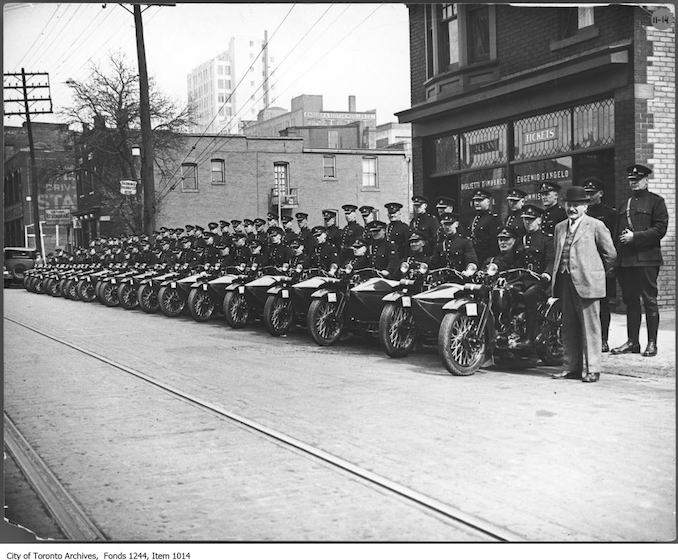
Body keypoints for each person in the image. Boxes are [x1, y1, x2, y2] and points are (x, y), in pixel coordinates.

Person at [551, 186, 617, 383]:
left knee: (590, 327)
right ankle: (571, 367)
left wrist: (596, 273)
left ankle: (593, 369)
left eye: (577, 205)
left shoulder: (595, 225)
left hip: (588, 283)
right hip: (565, 281)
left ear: (585, 207)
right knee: (568, 327)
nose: (572, 208)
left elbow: (610, 254)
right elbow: (557, 253)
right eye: (569, 204)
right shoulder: (560, 227)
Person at [611, 164, 669, 357]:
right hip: (626, 261)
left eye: (637, 180)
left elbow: (660, 229)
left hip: (647, 259)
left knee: (649, 301)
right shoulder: (624, 204)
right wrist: (616, 261)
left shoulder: (656, 202)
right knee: (630, 301)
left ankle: (652, 343)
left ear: (646, 180)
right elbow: (616, 233)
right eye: (631, 180)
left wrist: (636, 237)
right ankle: (632, 342)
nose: (633, 183)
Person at [511, 201, 554, 351]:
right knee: (505, 292)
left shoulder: (547, 239)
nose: (528, 223)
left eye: (531, 219)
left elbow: (551, 260)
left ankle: (530, 337)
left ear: (539, 220)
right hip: (523, 280)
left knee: (530, 295)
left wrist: (547, 274)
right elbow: (508, 259)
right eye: (525, 219)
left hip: (540, 283)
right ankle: (509, 331)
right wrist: (495, 266)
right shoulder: (520, 240)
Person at [583, 177, 617, 352]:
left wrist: (610, 268)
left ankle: (603, 339)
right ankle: (587, 338)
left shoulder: (610, 214)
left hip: (602, 267)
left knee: (603, 304)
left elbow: (612, 244)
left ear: (601, 194)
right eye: (587, 193)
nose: (589, 196)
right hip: (583, 265)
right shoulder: (582, 213)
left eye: (592, 193)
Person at [431, 212, 478, 277]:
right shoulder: (440, 244)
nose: (447, 227)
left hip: (459, 279)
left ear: (456, 224)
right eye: (445, 224)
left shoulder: (465, 242)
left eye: (450, 224)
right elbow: (434, 264)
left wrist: (469, 271)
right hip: (443, 279)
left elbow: (471, 260)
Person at [469, 189, 501, 266]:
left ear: (488, 201)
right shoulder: (473, 218)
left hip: (485, 259)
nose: (477, 203)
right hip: (474, 258)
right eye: (475, 200)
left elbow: (494, 243)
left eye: (480, 200)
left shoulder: (492, 219)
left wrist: (490, 260)